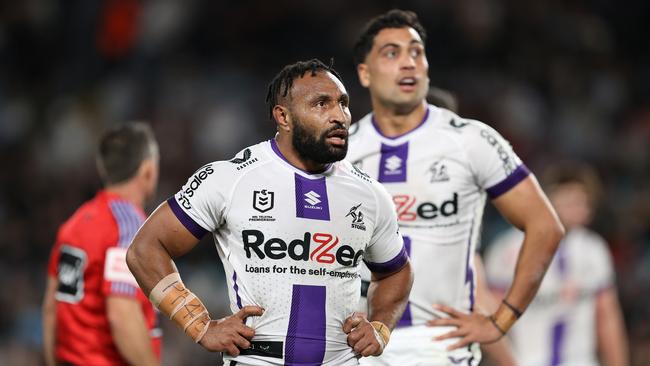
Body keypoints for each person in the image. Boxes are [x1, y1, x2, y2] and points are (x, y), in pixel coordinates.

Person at [126, 59, 414, 366]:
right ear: (283, 116)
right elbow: (145, 250)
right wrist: (199, 324)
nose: (339, 116)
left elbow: (396, 270)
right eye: (321, 104)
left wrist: (381, 326)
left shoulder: (369, 193)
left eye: (343, 104)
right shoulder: (231, 178)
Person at [347, 9, 565, 365]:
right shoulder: (342, 151)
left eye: (417, 52)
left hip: (438, 344)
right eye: (392, 53)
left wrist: (501, 320)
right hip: (357, 342)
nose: (408, 63)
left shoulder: (469, 140)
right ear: (364, 73)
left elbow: (546, 226)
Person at [485, 163, 629, 366]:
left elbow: (607, 317)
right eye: (569, 200)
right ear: (547, 199)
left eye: (583, 201)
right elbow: (490, 316)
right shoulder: (507, 250)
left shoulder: (594, 250)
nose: (578, 208)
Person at [42, 122, 162, 366]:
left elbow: (50, 307)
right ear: (148, 170)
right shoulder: (129, 227)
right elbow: (122, 315)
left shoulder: (75, 223)